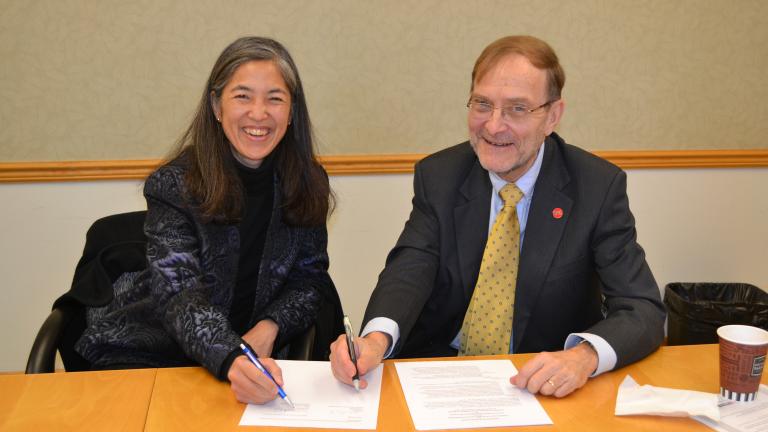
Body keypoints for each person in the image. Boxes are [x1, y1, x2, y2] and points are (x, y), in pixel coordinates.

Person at [330, 35, 665, 398]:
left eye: (517, 109)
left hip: (541, 382)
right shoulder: (439, 176)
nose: (493, 126)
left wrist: (583, 357)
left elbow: (642, 308)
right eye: (482, 104)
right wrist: (375, 340)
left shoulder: (596, 187)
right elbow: (411, 268)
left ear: (552, 116)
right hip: (441, 374)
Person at [75, 37, 335, 404]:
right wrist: (232, 356)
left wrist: (269, 327)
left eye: (274, 98)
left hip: (247, 360)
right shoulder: (174, 184)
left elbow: (310, 280)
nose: (259, 113)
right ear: (216, 105)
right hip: (151, 360)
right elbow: (179, 293)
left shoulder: (307, 182)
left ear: (292, 111)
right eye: (242, 96)